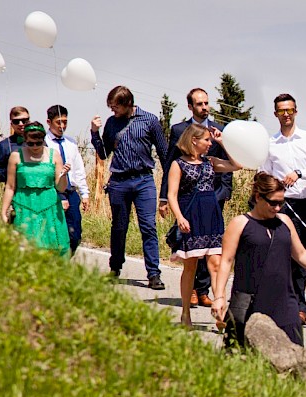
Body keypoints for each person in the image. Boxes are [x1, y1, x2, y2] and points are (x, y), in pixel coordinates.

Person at [211, 173, 306, 346]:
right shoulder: (240, 223)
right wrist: (219, 296)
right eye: (273, 202)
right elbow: (226, 262)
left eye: (281, 203)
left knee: (293, 359)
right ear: (258, 197)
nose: (277, 208)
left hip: (285, 303)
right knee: (242, 360)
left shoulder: (285, 221)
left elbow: (301, 254)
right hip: (250, 302)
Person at [260, 93, 306, 326]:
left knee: (302, 259)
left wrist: (301, 173)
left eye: (290, 110)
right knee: (280, 256)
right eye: (282, 111)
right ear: (276, 114)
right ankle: (281, 306)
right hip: (281, 206)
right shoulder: (270, 144)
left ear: (296, 111)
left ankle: (299, 308)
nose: (286, 114)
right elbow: (264, 173)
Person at [91, 85, 168, 290]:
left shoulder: (149, 120)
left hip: (144, 180)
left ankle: (153, 273)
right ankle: (115, 267)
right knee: (119, 227)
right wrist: (94, 133)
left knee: (148, 227)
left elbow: (164, 154)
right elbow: (104, 153)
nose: (112, 110)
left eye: (115, 107)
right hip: (118, 182)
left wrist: (167, 192)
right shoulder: (111, 123)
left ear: (127, 104)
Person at [161, 88, 231, 307]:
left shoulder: (219, 131)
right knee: (193, 258)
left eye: (206, 103)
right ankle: (191, 295)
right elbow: (169, 166)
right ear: (190, 106)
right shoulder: (179, 130)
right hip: (189, 204)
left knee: (214, 258)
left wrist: (223, 193)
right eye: (199, 104)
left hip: (213, 200)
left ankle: (206, 294)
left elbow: (232, 166)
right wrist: (164, 199)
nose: (204, 107)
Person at [166, 124, 241, 327]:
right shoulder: (178, 164)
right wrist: (179, 217)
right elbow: (172, 195)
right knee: (190, 266)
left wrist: (222, 142)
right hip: (191, 216)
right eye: (206, 140)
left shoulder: (210, 162)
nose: (209, 144)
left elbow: (237, 165)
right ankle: (185, 313)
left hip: (211, 215)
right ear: (194, 140)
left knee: (216, 264)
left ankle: (219, 311)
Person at [0, 121, 71, 257]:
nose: (35, 146)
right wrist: (4, 211)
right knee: (24, 249)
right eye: (30, 143)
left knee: (53, 248)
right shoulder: (16, 156)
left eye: (38, 143)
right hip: (24, 207)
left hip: (49, 207)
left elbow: (61, 187)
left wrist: (63, 175)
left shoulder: (54, 155)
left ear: (43, 140)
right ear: (25, 140)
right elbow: (10, 186)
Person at [44, 105, 90, 255]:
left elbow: (78, 169)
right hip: (53, 193)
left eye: (65, 122)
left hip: (71, 192)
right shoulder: (44, 144)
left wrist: (84, 193)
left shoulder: (71, 143)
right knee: (56, 233)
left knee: (74, 234)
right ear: (49, 122)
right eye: (58, 122)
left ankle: (64, 261)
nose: (62, 126)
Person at [0, 106, 30, 184]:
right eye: (16, 121)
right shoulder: (4, 145)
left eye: (24, 121)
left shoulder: (41, 142)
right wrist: (14, 171)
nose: (21, 124)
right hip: (14, 191)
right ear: (11, 124)